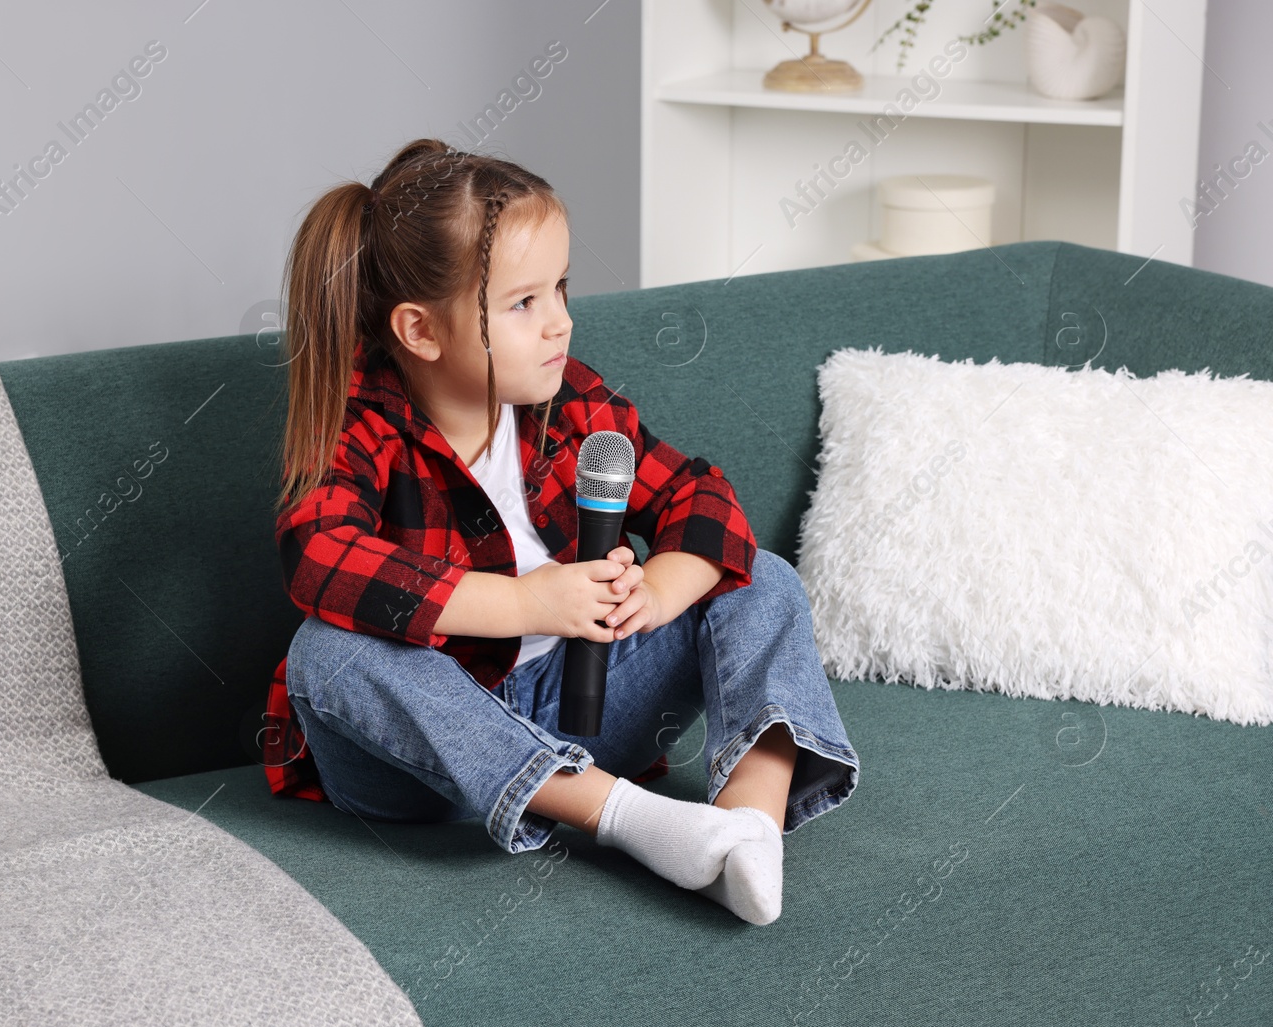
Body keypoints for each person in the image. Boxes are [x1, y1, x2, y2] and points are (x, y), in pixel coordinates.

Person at [261, 138, 858, 925]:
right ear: (420, 330)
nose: (561, 323)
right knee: (324, 653)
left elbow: (699, 495)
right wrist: (526, 604)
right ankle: (637, 819)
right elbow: (320, 557)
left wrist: (663, 584)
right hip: (425, 761)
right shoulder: (361, 424)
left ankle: (745, 829)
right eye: (523, 303)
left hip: (579, 702)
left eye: (560, 290)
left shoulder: (570, 405)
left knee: (762, 576)